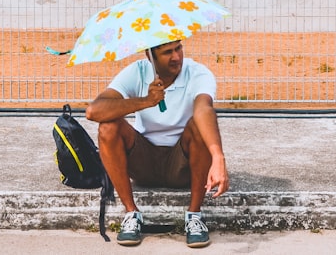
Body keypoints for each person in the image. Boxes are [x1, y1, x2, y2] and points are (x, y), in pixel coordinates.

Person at [85, 39, 229, 248]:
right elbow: (94, 111)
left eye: (178, 48)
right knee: (108, 126)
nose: (176, 57)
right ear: (149, 56)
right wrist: (145, 101)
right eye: (167, 52)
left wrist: (218, 156)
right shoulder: (137, 72)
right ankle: (132, 214)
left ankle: (195, 216)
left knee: (200, 125)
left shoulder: (198, 73)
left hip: (183, 164)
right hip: (144, 162)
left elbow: (203, 110)